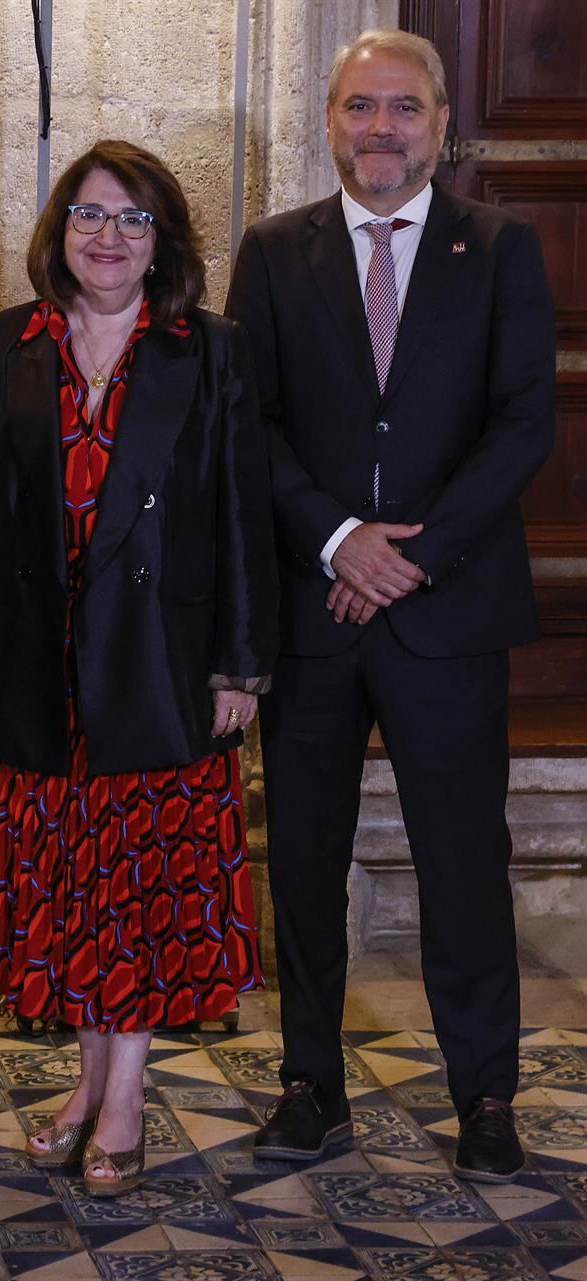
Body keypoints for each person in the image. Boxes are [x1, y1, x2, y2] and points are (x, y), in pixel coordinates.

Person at [226, 29, 555, 1183]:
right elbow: (247, 423)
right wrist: (336, 540)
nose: (381, 128)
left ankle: (487, 1095)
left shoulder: (501, 247)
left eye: (403, 109)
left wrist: (414, 555)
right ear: (330, 122)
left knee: (465, 859)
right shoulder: (272, 254)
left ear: (440, 120)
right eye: (360, 106)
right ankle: (309, 1084)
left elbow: (525, 420)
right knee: (304, 860)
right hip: (313, 613)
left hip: (447, 611)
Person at [0, 140, 277, 1197]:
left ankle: (124, 1093)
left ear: (163, 239)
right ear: (60, 231)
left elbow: (238, 513)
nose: (109, 236)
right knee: (73, 889)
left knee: (140, 893)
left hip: (164, 664)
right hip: (44, 662)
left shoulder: (210, 350)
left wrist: (240, 663)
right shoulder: (7, 346)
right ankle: (87, 1086)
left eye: (133, 219)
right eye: (90, 214)